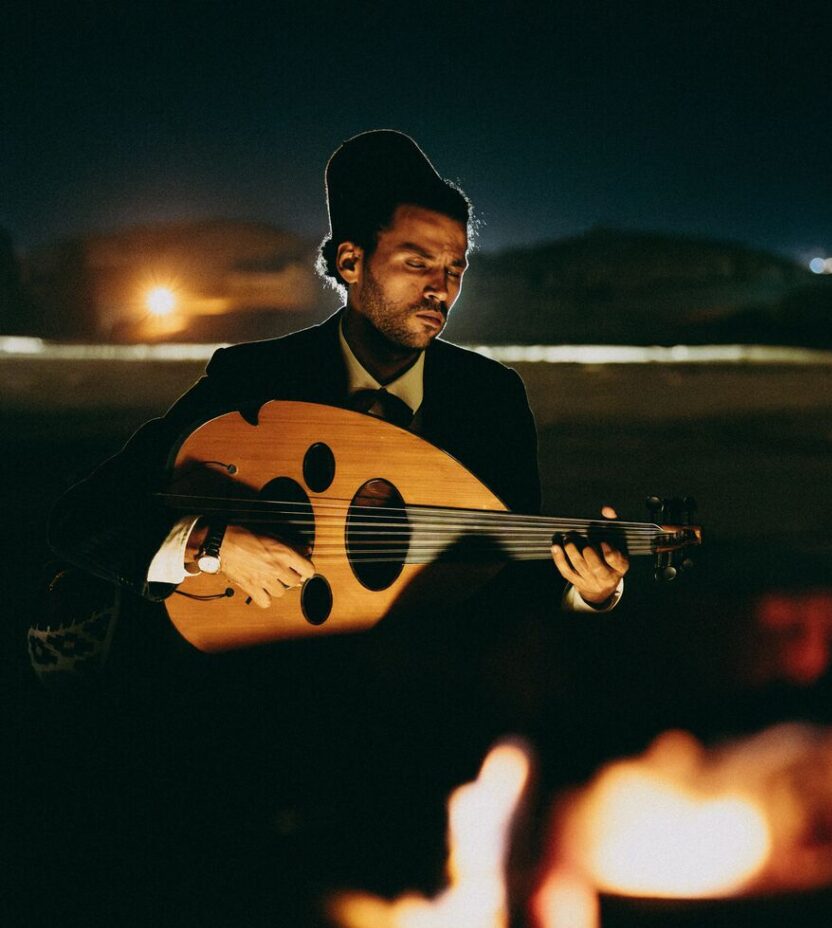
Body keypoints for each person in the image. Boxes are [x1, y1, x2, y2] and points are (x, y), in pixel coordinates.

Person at [47, 129, 629, 629]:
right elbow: (83, 518)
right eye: (417, 261)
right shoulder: (255, 380)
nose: (442, 288)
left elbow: (506, 577)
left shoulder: (492, 397)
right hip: (279, 690)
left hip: (433, 690)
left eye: (455, 268)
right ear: (351, 262)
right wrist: (213, 548)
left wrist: (590, 590)